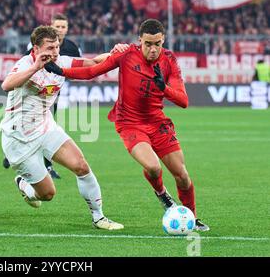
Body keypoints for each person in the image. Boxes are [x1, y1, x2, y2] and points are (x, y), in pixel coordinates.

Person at [44, 19, 210, 231]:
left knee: (182, 176)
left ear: (163, 40)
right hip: (129, 122)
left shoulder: (169, 60)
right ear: (139, 40)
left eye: (157, 44)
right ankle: (162, 195)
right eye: (148, 43)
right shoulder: (126, 54)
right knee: (152, 166)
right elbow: (93, 72)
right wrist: (60, 71)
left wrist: (164, 87)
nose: (152, 49)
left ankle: (192, 218)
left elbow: (184, 101)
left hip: (158, 122)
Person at [0, 25, 124, 230]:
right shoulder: (25, 63)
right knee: (47, 194)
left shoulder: (62, 61)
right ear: (36, 49)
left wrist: (117, 54)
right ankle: (23, 183)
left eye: (57, 47)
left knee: (81, 166)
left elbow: (92, 63)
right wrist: (35, 68)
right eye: (49, 48)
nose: (55, 52)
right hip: (18, 138)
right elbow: (6, 85)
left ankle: (99, 218)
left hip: (45, 127)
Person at [2, 14, 82, 179]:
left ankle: (48, 165)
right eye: (57, 26)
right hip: (32, 92)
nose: (60, 29)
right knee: (34, 124)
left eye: (63, 27)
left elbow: (80, 67)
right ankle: (18, 152)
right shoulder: (37, 48)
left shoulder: (72, 47)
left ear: (67, 29)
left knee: (48, 125)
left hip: (53, 91)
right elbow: (23, 68)